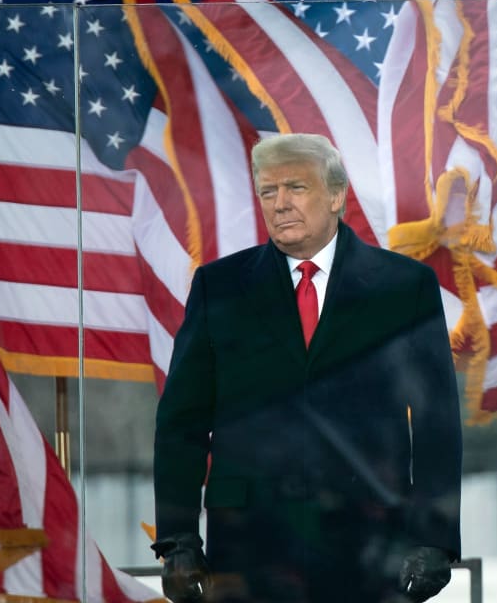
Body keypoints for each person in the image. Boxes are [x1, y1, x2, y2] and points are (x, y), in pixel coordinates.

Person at [152, 133, 462, 603]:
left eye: (295, 188)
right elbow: (182, 422)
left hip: (370, 546)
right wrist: (177, 540)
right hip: (248, 549)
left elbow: (436, 423)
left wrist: (434, 538)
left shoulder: (404, 287)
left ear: (336, 195)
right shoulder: (220, 288)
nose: (279, 204)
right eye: (267, 192)